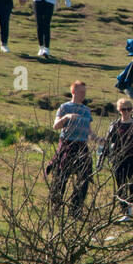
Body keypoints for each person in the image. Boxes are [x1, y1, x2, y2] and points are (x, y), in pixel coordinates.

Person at [98, 98, 133, 219]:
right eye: (123, 109)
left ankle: (129, 206)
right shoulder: (115, 125)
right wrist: (101, 160)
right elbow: (107, 144)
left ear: (132, 110)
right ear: (119, 110)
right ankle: (125, 211)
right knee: (121, 186)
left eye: (128, 109)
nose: (126, 111)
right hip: (119, 160)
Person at [49, 80, 93, 214]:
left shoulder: (86, 111)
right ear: (73, 92)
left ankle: (75, 210)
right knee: (61, 177)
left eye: (84, 92)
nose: (83, 95)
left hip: (82, 146)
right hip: (67, 145)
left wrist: (99, 139)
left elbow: (89, 132)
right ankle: (55, 206)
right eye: (81, 92)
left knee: (84, 179)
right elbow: (55, 126)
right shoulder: (64, 107)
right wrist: (67, 117)